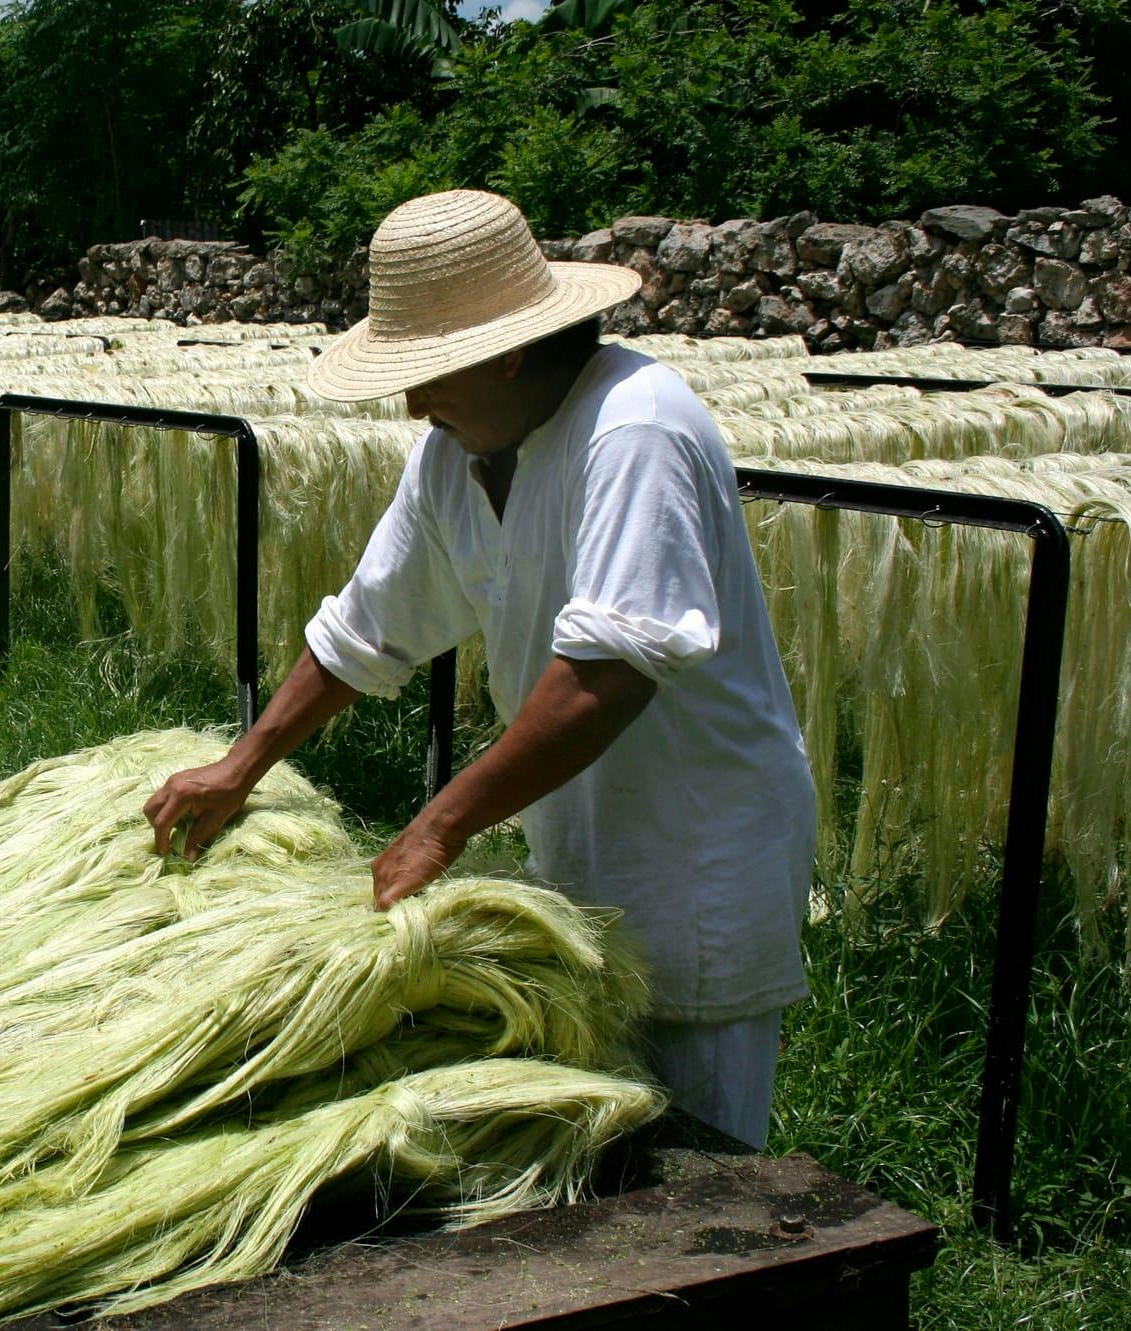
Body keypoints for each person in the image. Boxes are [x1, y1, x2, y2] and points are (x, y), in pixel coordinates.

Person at [142, 190, 814, 1149]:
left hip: (695, 851)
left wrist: (438, 826)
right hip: (573, 834)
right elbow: (365, 628)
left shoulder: (636, 429)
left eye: (428, 375)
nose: (414, 403)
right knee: (592, 1128)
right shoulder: (456, 454)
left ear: (503, 349)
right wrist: (240, 765)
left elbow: (610, 673)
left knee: (696, 1151)